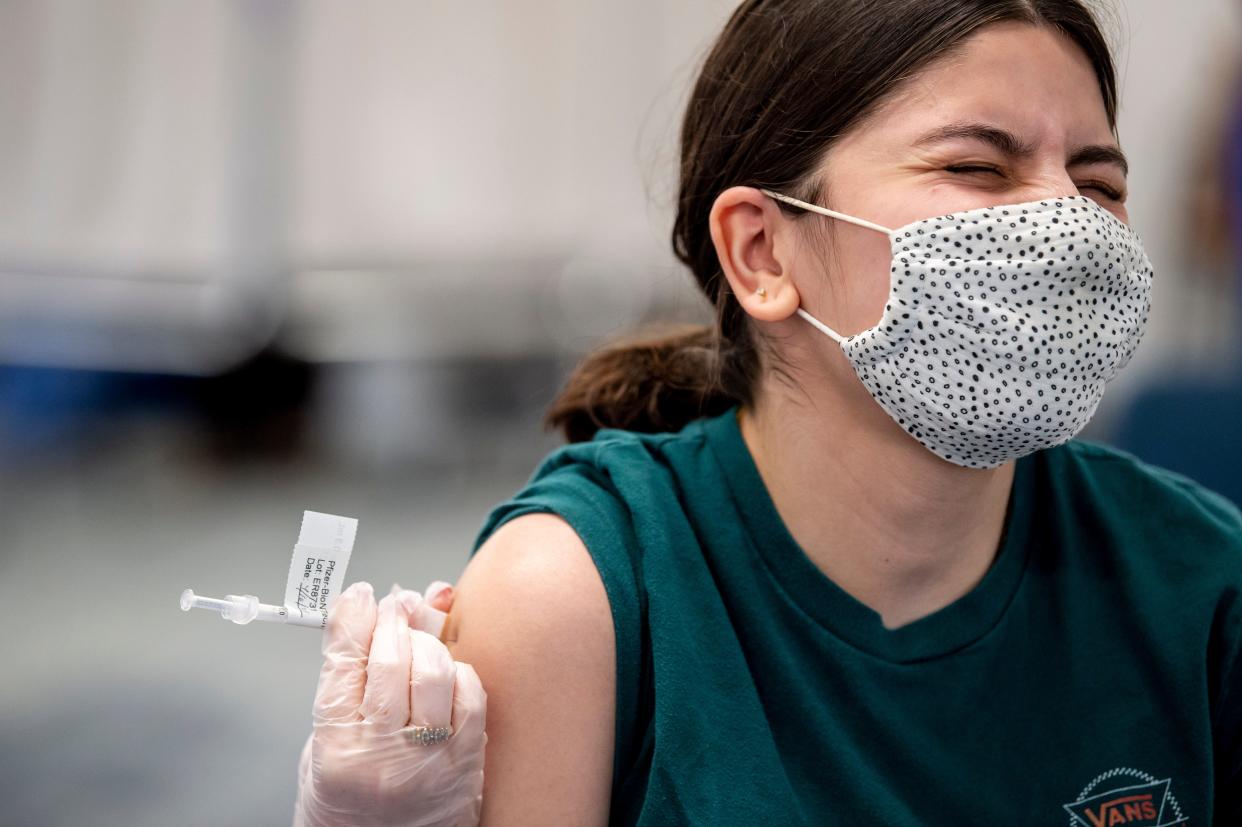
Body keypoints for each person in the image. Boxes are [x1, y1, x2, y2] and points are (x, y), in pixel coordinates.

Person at [302, 0, 1242, 824]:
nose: (1065, 224)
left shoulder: (1201, 584)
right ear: (761, 252)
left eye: (1100, 184)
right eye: (978, 167)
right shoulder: (579, 597)